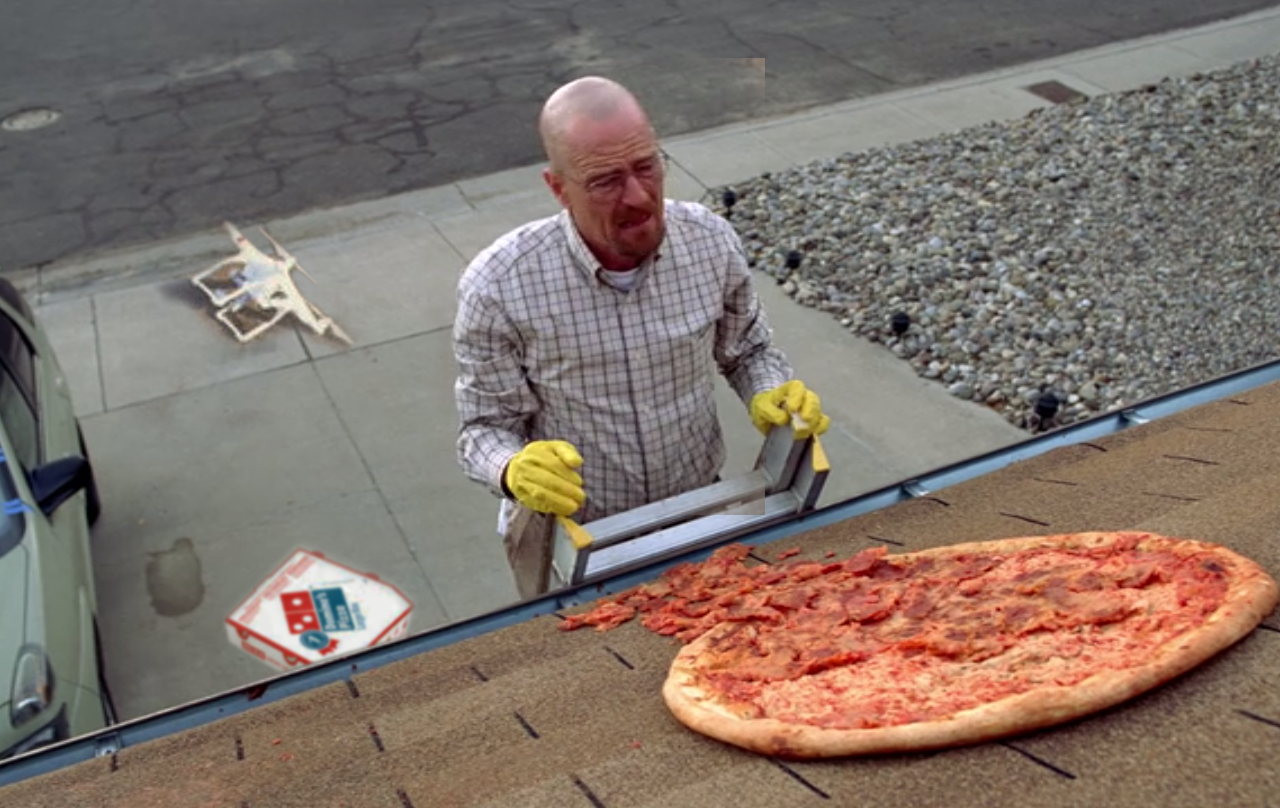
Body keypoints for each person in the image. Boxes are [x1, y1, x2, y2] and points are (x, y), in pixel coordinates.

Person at [453, 76, 830, 596]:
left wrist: (771, 391)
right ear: (558, 188)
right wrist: (512, 468)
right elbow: (483, 430)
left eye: (647, 166)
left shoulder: (709, 241)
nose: (638, 196)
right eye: (605, 181)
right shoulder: (499, 284)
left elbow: (749, 351)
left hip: (699, 515)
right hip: (572, 539)